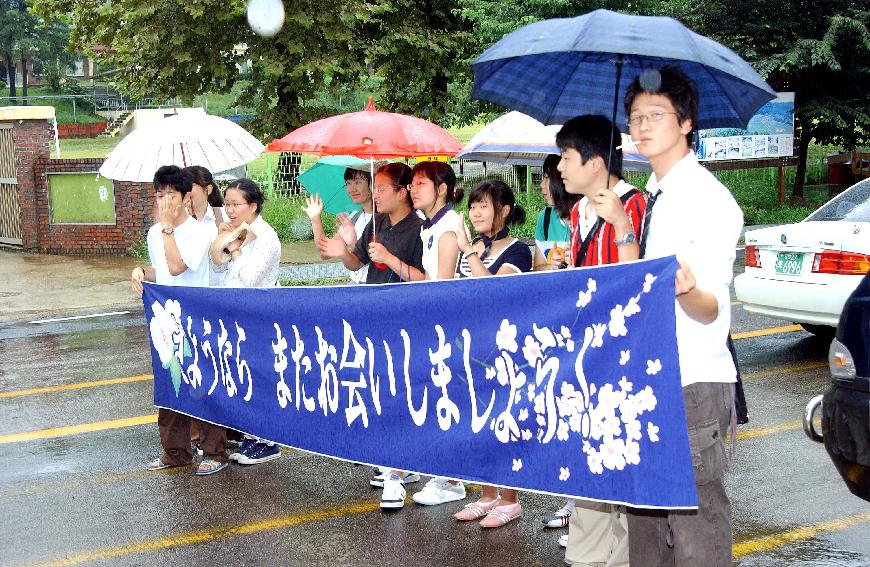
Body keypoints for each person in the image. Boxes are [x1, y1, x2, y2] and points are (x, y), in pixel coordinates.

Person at [624, 66, 743, 567]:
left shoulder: (708, 198)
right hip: (650, 378)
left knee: (697, 533)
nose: (643, 126)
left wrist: (687, 289)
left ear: (686, 122)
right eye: (635, 117)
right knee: (647, 523)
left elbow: (712, 308)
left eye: (657, 115)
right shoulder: (659, 194)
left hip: (692, 382)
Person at [555, 114, 647, 564]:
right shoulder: (576, 211)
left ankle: (622, 555)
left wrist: (621, 225)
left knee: (618, 450)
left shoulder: (636, 204)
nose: (559, 168)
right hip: (583, 353)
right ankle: (585, 553)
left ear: (596, 162)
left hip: (621, 354)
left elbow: (640, 282)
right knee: (586, 453)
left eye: (567, 158)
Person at [316, 162, 428, 509]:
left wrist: (390, 258)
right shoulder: (377, 224)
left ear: (402, 191)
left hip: (405, 322)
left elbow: (426, 278)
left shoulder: (420, 228)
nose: (375, 194)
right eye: (374, 188)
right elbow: (356, 263)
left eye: (381, 188)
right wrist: (343, 252)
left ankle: (395, 477)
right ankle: (396, 464)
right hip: (372, 317)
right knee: (379, 389)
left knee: (398, 392)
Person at [131, 165, 229, 476]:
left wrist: (170, 228)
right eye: (160, 195)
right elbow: (161, 271)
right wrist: (141, 273)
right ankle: (175, 452)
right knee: (170, 384)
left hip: (195, 318)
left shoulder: (201, 232)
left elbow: (177, 267)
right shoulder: (153, 232)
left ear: (187, 197)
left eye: (171, 195)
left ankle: (215, 451)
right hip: (165, 320)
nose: (164, 202)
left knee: (202, 381)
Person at [451, 179, 531, 527]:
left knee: (503, 418)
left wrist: (467, 250)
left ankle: (510, 499)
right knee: (477, 418)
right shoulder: (473, 248)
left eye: (484, 205)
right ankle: (486, 494)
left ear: (504, 210)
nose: (476, 212)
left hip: (504, 349)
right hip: (472, 344)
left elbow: (492, 290)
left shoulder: (518, 250)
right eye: (472, 206)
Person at [397, 160, 469, 506]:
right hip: (434, 321)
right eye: (411, 183)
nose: (413, 188)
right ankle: (443, 473)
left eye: (421, 183)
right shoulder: (430, 226)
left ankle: (452, 479)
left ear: (442, 189)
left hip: (450, 326)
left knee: (448, 396)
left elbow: (443, 285)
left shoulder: (449, 226)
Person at [216, 178, 283, 465]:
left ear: (253, 206)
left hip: (262, 316)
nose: (229, 210)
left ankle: (267, 441)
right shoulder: (240, 232)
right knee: (244, 375)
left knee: (260, 377)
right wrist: (224, 241)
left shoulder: (265, 236)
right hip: (239, 315)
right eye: (226, 204)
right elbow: (221, 269)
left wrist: (235, 249)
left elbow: (251, 278)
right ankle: (250, 435)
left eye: (235, 204)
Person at [303, 167, 373, 284]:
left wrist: (352, 243)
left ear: (372, 184)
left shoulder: (385, 219)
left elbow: (375, 260)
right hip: (354, 283)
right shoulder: (354, 217)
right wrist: (315, 219)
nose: (352, 189)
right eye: (348, 183)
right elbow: (325, 253)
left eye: (358, 182)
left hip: (375, 286)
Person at [183, 165, 227, 287]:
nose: (184, 190)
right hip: (189, 292)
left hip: (219, 290)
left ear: (208, 189)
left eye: (189, 185)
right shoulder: (176, 223)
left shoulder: (224, 217)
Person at [533, 154, 574, 271]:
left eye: (546, 178)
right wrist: (552, 266)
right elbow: (537, 268)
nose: (541, 185)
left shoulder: (590, 216)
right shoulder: (545, 218)